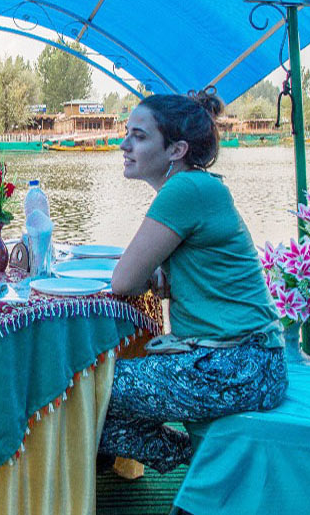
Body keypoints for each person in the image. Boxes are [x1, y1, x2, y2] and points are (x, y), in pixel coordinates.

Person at [100, 91, 288, 473]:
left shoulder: (185, 190)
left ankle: (204, 462)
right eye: (127, 134)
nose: (124, 144)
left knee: (83, 392)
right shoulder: (197, 188)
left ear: (176, 150)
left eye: (138, 136)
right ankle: (209, 462)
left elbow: (122, 281)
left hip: (238, 366)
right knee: (96, 400)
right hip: (242, 359)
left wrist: (147, 278)